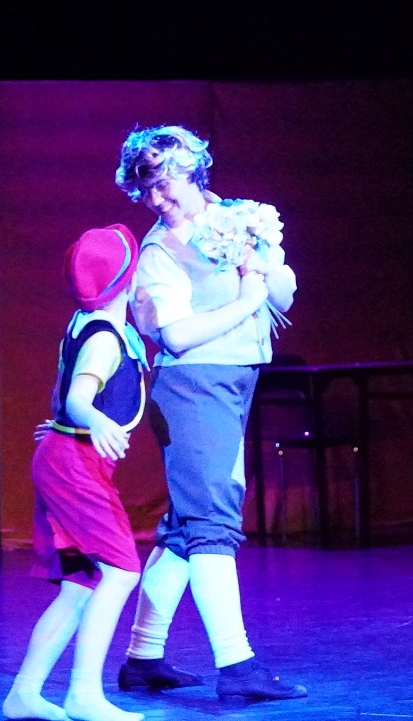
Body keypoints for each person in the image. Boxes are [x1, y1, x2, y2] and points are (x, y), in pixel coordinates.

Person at [110, 124, 307, 702]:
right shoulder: (158, 253)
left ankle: (143, 657)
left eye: (164, 183)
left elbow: (283, 297)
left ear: (192, 172)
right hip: (193, 386)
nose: (156, 198)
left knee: (184, 526)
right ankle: (237, 665)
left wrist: (261, 262)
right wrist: (246, 299)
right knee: (212, 523)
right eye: (146, 189)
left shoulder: (235, 218)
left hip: (234, 379)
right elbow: (175, 335)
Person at [3, 224, 150, 721]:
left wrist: (66, 427)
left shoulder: (86, 321)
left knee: (81, 584)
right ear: (129, 279)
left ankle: (24, 694)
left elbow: (63, 397)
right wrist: (92, 421)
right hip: (76, 466)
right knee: (122, 571)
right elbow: (77, 397)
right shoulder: (105, 338)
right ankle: (84, 693)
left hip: (65, 457)